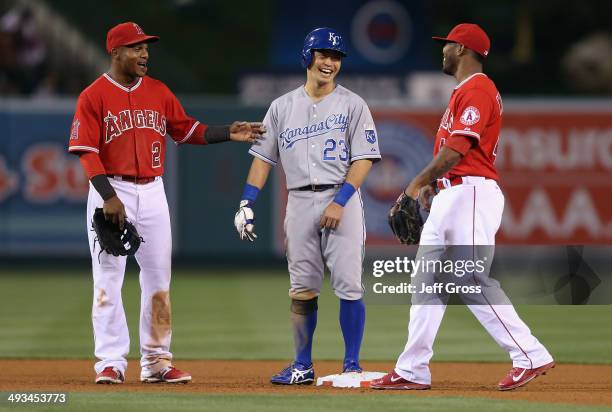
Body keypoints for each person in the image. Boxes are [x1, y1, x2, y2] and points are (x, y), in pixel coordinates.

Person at [68, 22, 264, 384]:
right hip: (111, 188)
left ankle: (156, 361)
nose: (145, 54)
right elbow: (86, 152)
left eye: (147, 48)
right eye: (136, 48)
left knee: (158, 279)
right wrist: (108, 198)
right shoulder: (93, 96)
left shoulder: (158, 91)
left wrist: (226, 132)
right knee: (108, 279)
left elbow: (186, 129)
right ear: (115, 53)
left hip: (153, 191)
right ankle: (110, 361)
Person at [370, 23, 554, 391]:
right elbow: (450, 155)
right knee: (427, 283)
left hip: (470, 193)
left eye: (448, 44)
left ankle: (529, 354)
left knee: (468, 277)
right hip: (451, 194)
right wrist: (433, 185)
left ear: (463, 49)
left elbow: (459, 151)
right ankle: (412, 369)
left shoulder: (479, 88)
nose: (443, 49)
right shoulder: (463, 92)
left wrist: (416, 183)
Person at [233, 27, 381, 385]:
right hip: (298, 199)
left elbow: (363, 159)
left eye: (336, 57)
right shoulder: (282, 107)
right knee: (301, 288)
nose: (330, 62)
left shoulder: (353, 104)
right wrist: (246, 202)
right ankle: (302, 366)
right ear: (307, 56)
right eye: (323, 54)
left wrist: (340, 201)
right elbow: (262, 160)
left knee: (349, 285)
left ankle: (352, 366)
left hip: (340, 197)